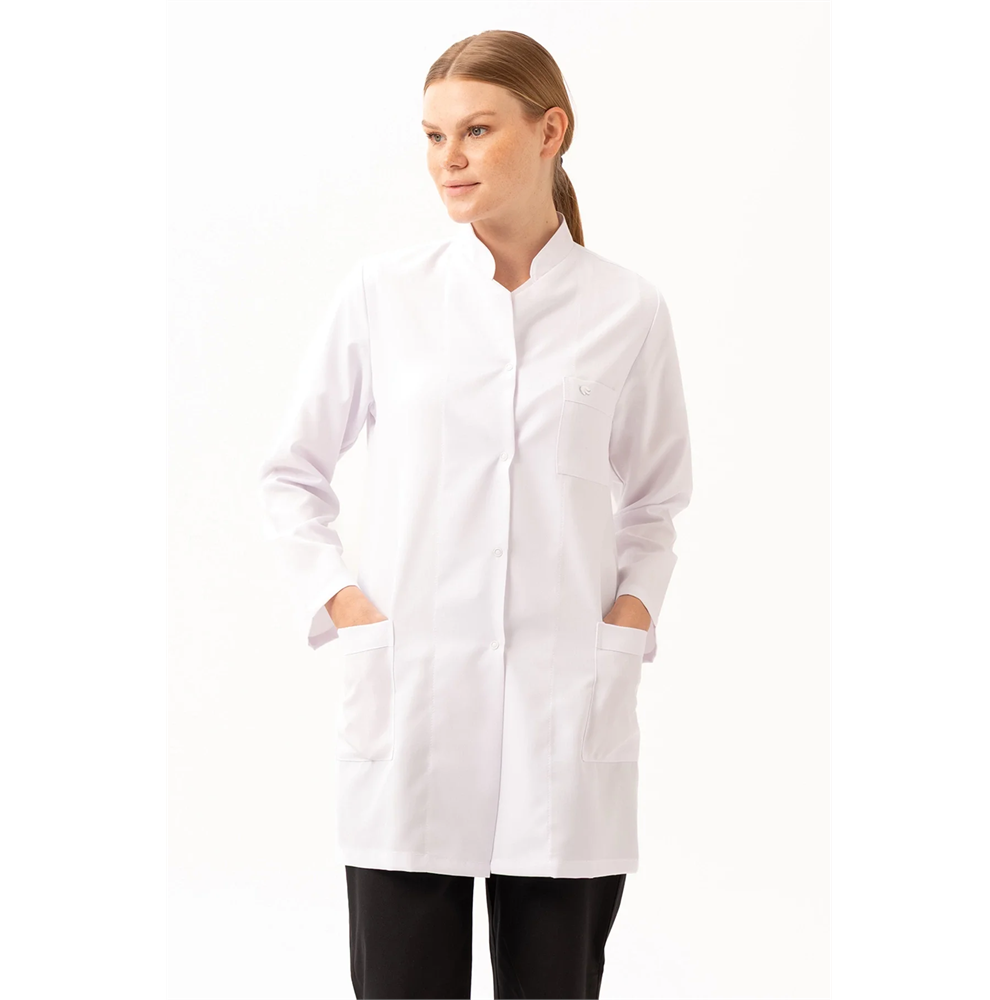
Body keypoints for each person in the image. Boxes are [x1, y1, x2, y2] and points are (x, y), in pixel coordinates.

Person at [257, 28, 693, 1000]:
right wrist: (343, 604)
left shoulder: (627, 310)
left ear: (550, 131)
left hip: (562, 711)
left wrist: (628, 616)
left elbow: (657, 498)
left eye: (476, 130)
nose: (448, 158)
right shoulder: (383, 295)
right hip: (411, 701)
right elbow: (291, 473)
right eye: (433, 135)